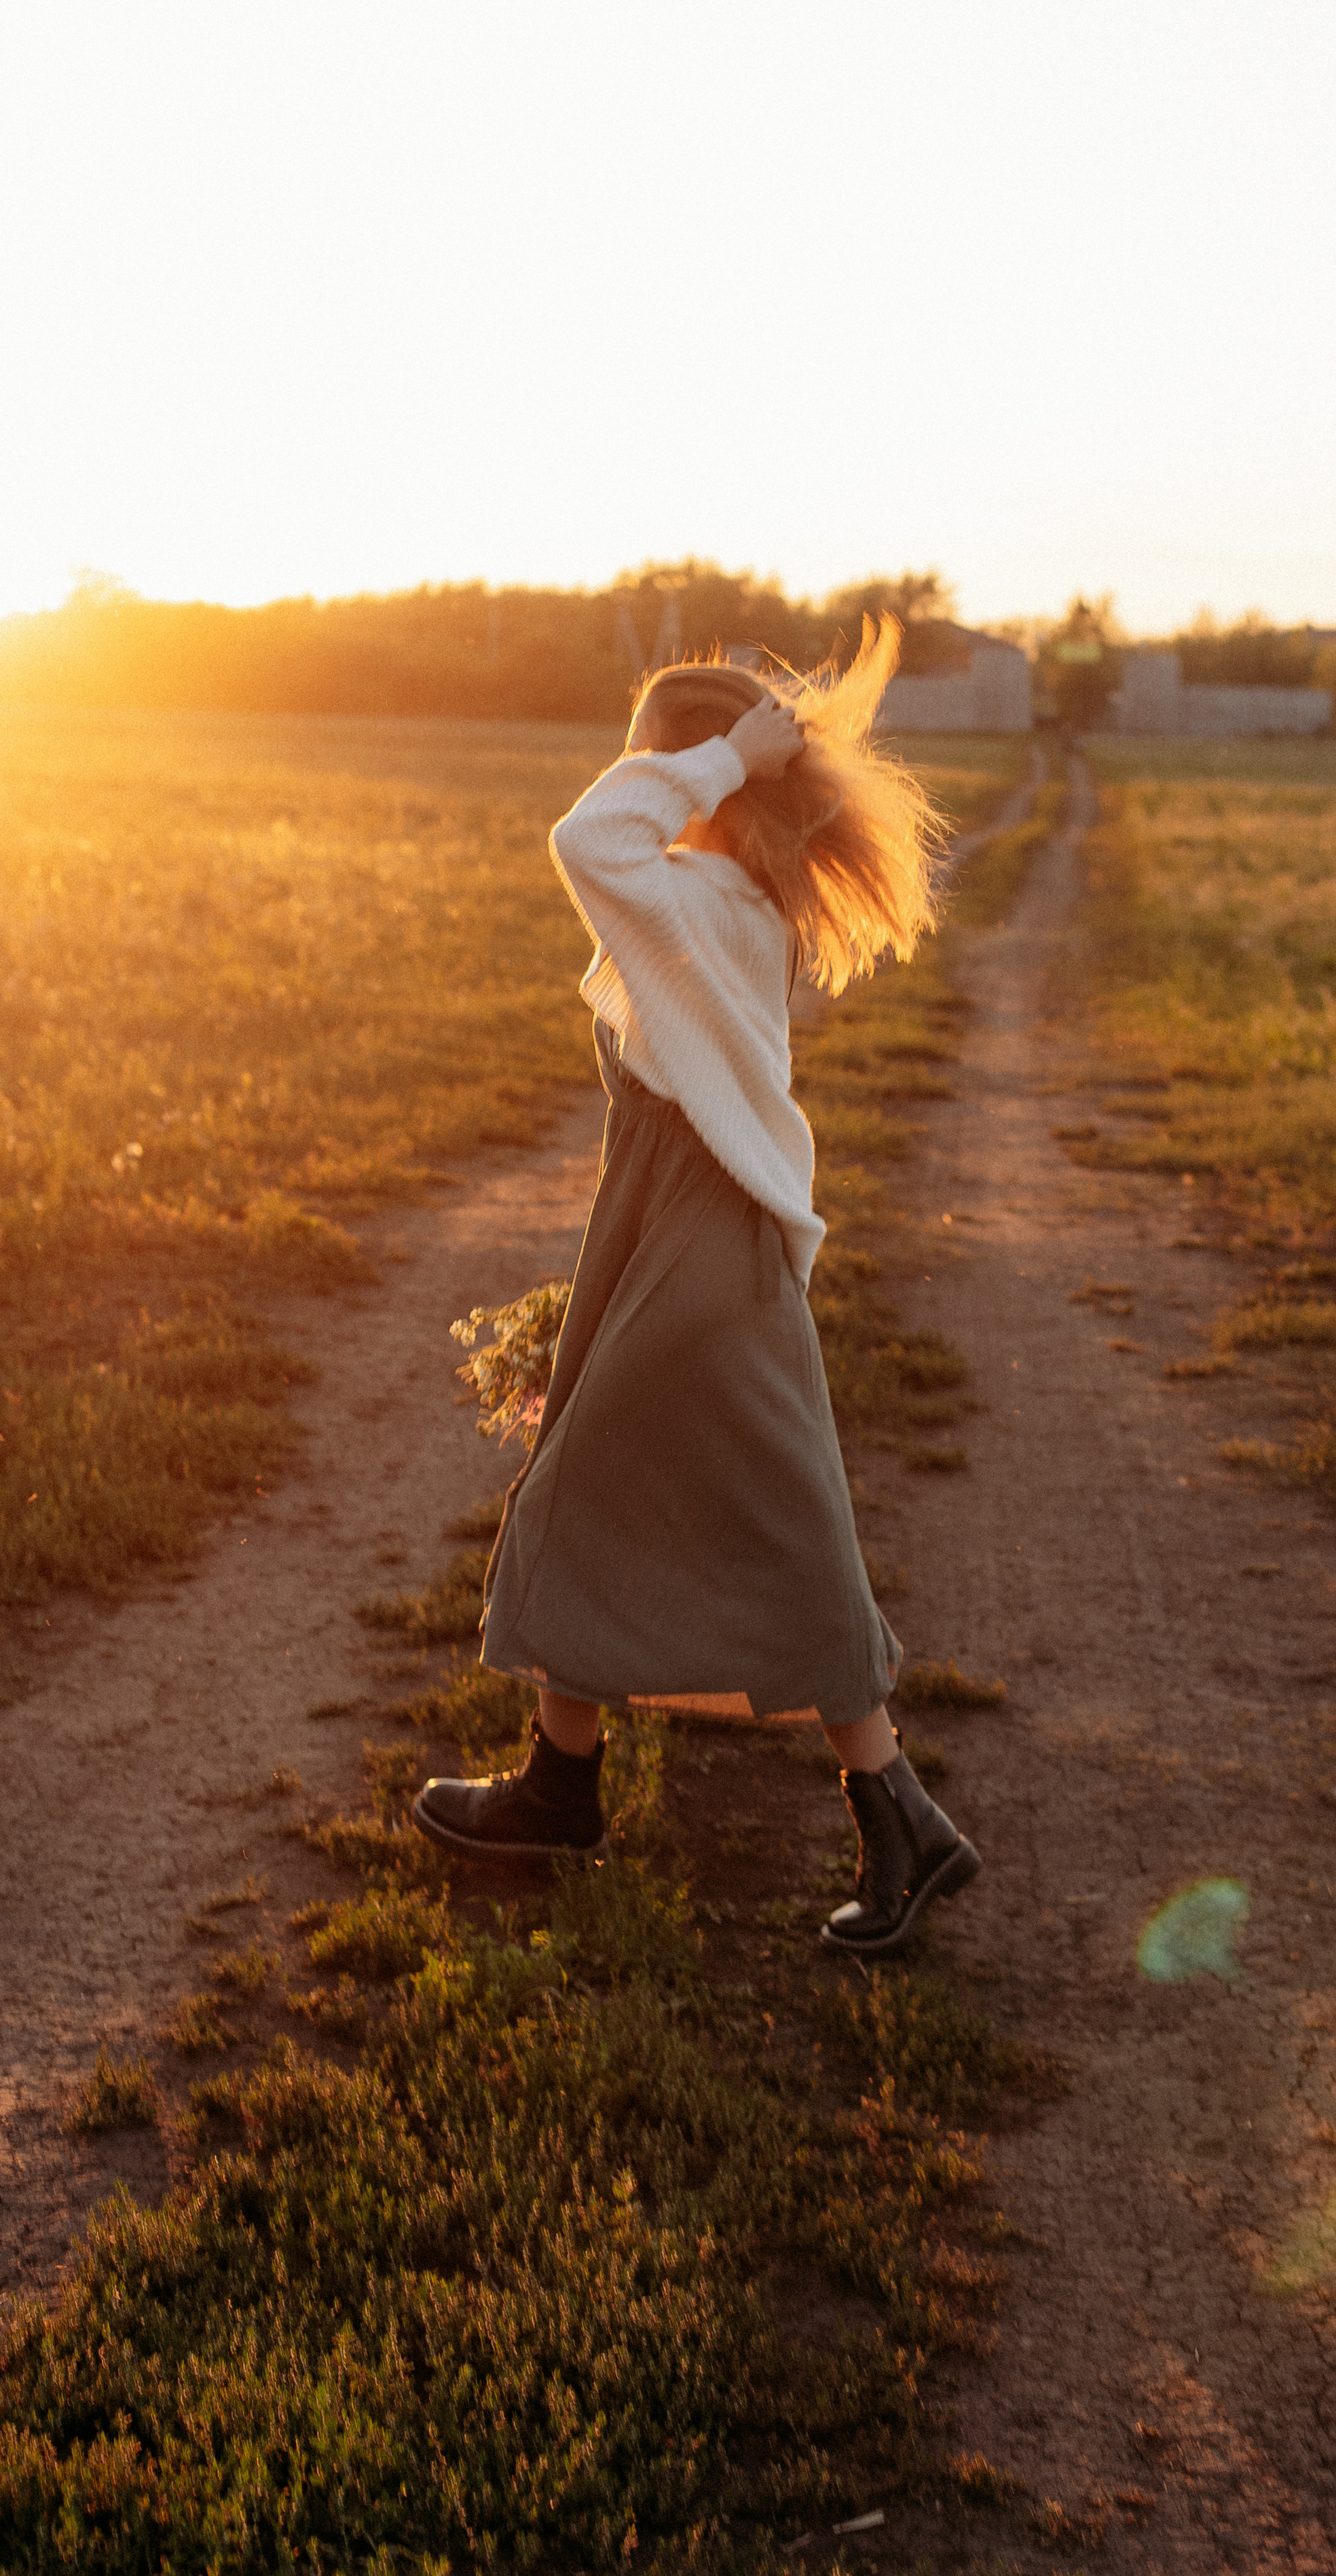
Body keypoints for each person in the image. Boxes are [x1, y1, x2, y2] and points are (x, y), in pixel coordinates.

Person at [411, 626, 980, 1957]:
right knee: (647, 1505)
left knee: (719, 1522)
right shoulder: (719, 906)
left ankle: (861, 1810)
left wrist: (724, 753)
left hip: (703, 1259)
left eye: (645, 760)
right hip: (674, 1244)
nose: (631, 779)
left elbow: (585, 838)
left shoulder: (700, 906)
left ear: (689, 780)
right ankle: (586, 1790)